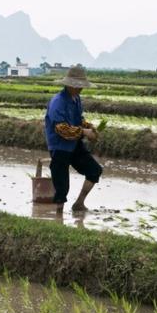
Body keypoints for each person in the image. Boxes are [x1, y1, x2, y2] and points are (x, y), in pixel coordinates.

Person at [45, 65, 103, 213]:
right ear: (68, 84)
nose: (80, 89)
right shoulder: (58, 102)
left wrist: (90, 128)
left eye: (81, 86)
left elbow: (79, 120)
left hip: (74, 144)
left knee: (94, 170)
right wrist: (84, 132)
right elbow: (62, 129)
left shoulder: (76, 99)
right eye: (77, 86)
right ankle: (59, 216)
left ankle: (79, 203)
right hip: (59, 147)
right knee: (62, 185)